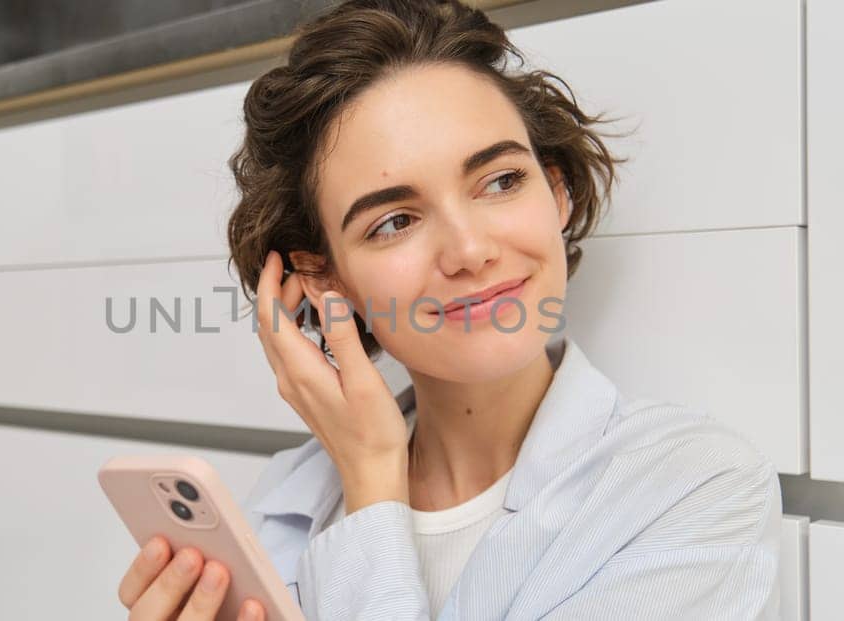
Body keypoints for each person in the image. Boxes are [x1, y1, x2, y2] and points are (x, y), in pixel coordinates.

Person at [115, 0, 782, 619]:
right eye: (395, 221)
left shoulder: (692, 488)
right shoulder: (290, 497)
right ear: (324, 280)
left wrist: (375, 481)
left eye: (500, 181)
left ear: (556, 194)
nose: (469, 250)